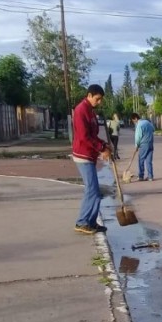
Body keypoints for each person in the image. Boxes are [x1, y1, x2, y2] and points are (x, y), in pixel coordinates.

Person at [71, 84, 112, 235]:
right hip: (83, 155)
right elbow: (84, 137)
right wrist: (101, 148)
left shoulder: (91, 111)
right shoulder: (81, 110)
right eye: (97, 99)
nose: (99, 102)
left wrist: (104, 144)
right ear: (89, 95)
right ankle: (82, 222)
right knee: (92, 190)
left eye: (101, 99)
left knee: (95, 191)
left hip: (90, 154)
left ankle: (91, 222)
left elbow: (93, 135)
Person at [131, 113, 155, 181]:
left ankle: (141, 176)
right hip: (150, 144)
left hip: (144, 145)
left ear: (135, 118)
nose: (134, 122)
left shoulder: (139, 125)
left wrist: (136, 145)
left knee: (141, 160)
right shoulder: (147, 122)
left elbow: (138, 137)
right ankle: (150, 176)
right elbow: (153, 129)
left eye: (133, 121)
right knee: (149, 161)